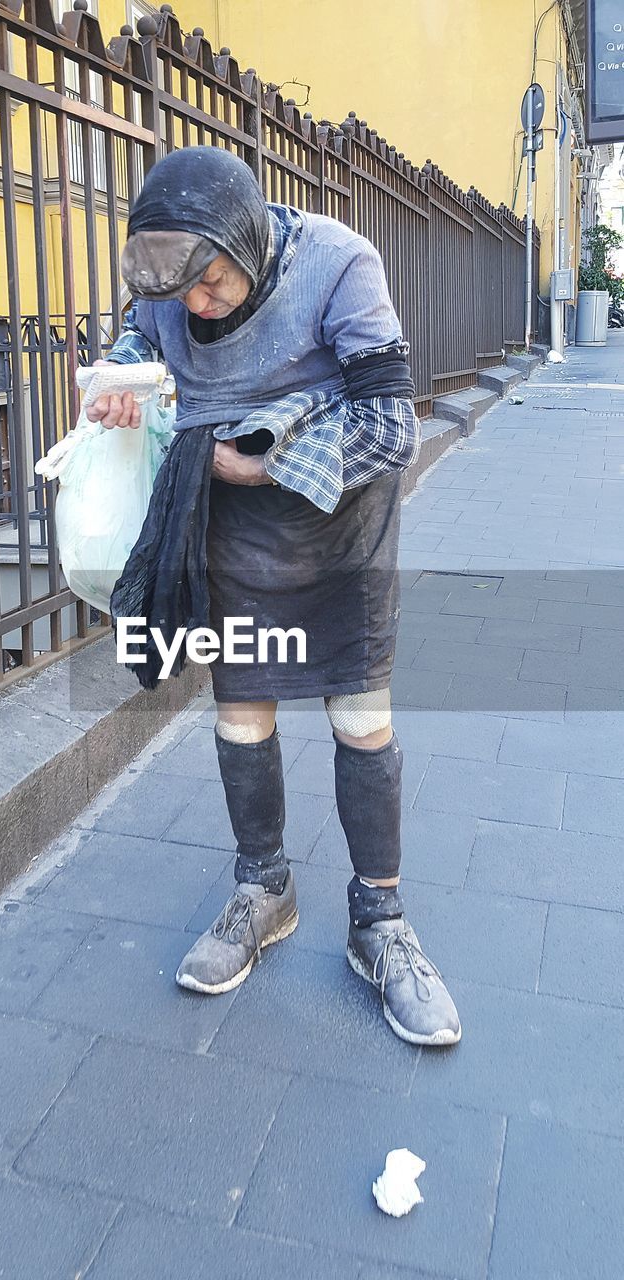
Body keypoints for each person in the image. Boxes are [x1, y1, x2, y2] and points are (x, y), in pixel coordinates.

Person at [86, 146, 460, 1047]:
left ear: (245, 238)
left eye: (210, 283)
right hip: (234, 530)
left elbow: (390, 424)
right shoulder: (171, 287)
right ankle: (264, 890)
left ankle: (380, 924)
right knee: (240, 715)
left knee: (359, 719)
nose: (198, 305)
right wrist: (117, 387)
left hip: (336, 522)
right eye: (181, 293)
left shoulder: (338, 262)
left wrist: (259, 465)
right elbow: (132, 347)